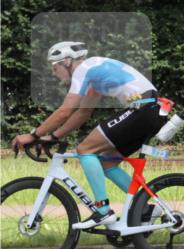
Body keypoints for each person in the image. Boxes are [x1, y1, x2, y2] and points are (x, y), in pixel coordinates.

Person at [9, 42, 170, 229]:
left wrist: (33, 135)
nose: (54, 73)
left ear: (67, 62)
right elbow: (82, 113)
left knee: (85, 149)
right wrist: (53, 137)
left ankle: (103, 211)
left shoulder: (83, 69)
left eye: (55, 68)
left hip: (144, 108)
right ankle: (145, 209)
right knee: (105, 161)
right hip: (150, 110)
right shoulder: (94, 72)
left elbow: (65, 111)